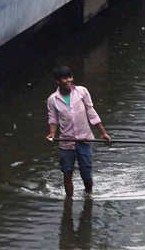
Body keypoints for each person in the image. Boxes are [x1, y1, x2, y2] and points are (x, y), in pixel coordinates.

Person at [46, 66, 111, 198]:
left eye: (70, 77)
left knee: (86, 174)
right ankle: (68, 201)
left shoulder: (82, 91)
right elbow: (53, 118)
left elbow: (91, 112)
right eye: (65, 78)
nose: (68, 80)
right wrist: (52, 133)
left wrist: (103, 133)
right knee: (67, 173)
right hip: (66, 142)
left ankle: (88, 195)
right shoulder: (52, 99)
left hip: (85, 140)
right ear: (58, 81)